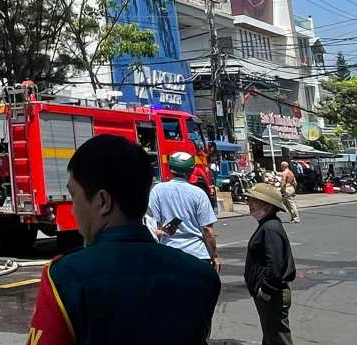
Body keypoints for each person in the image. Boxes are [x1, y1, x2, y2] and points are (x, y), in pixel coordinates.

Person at [28, 135, 220, 345]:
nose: (73, 211)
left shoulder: (66, 277)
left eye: (74, 196)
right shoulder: (201, 276)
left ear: (103, 201)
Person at [148, 150, 221, 271]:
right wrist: (214, 256)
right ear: (191, 170)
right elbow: (207, 230)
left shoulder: (157, 190)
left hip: (168, 255)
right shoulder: (199, 194)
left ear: (171, 169)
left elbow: (153, 226)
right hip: (197, 255)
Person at [245, 183, 297, 345]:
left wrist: (266, 289)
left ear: (267, 206)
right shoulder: (267, 225)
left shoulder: (270, 228)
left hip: (272, 294)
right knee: (270, 336)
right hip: (268, 294)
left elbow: (275, 264)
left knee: (278, 338)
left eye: (254, 200)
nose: (250, 204)